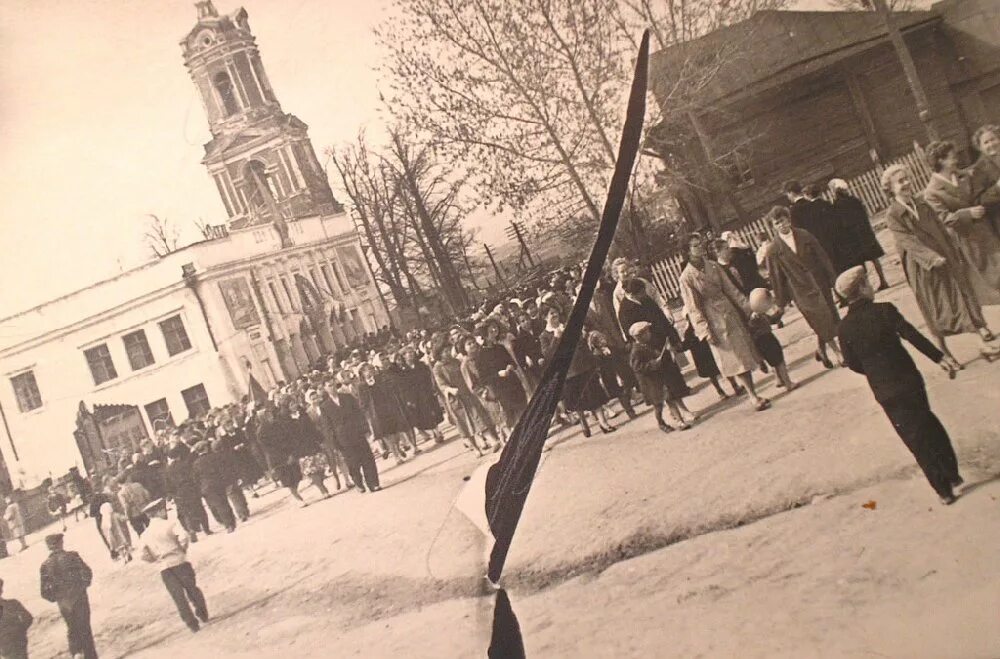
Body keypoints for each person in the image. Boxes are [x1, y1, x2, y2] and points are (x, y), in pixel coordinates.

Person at [835, 266, 964, 504]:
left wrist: (874, 371)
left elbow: (852, 363)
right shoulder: (884, 310)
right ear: (862, 288)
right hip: (909, 380)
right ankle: (952, 474)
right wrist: (940, 358)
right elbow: (912, 335)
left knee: (914, 438)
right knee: (927, 421)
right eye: (868, 283)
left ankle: (943, 491)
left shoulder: (844, 328)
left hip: (884, 390)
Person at [882, 164, 999, 362]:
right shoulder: (893, 215)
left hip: (943, 256)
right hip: (922, 267)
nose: (906, 183)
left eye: (907, 178)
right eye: (900, 181)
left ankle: (982, 342)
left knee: (962, 297)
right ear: (890, 189)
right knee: (936, 308)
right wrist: (930, 258)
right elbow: (907, 241)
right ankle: (944, 350)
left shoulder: (922, 203)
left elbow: (941, 229)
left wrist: (953, 251)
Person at [679, 235, 771, 412]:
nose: (700, 248)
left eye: (701, 244)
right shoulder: (687, 278)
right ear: (687, 251)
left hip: (730, 313)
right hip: (713, 320)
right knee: (735, 359)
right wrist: (704, 330)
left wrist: (748, 309)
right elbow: (693, 307)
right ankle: (753, 396)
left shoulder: (713, 265)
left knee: (744, 355)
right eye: (695, 246)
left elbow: (731, 289)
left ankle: (753, 393)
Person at [764, 205, 844, 368]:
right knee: (818, 319)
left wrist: (834, 280)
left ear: (789, 219)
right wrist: (781, 301)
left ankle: (821, 350)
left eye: (783, 220)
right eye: (777, 223)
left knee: (828, 316)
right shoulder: (773, 249)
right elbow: (776, 277)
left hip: (819, 282)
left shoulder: (804, 235)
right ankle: (837, 352)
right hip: (799, 289)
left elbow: (823, 257)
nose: (781, 225)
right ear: (773, 226)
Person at [922, 139, 1000, 300]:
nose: (956, 159)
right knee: (992, 279)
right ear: (940, 161)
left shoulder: (965, 175)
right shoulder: (932, 192)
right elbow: (944, 218)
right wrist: (968, 213)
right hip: (969, 241)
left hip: (989, 231)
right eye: (952, 157)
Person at [137, 499, 209, 633]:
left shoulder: (145, 534)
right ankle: (202, 612)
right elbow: (183, 537)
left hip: (164, 568)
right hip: (180, 562)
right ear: (159, 512)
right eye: (163, 510)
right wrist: (182, 550)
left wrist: (154, 559)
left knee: (178, 596)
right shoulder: (170, 524)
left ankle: (191, 623)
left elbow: (143, 555)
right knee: (192, 589)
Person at [628, 322, 695, 432]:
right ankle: (661, 422)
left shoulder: (648, 344)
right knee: (658, 406)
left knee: (669, 398)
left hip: (659, 379)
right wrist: (653, 363)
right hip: (650, 383)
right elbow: (637, 367)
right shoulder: (636, 350)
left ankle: (680, 421)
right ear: (639, 336)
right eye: (646, 332)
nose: (649, 334)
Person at [39, 534, 97, 659]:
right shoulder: (72, 556)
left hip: (64, 603)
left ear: (48, 547)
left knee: (71, 628)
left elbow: (44, 592)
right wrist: (82, 587)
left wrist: (56, 597)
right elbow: (87, 573)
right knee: (85, 629)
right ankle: (90, 656)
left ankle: (76, 654)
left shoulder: (45, 566)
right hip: (79, 598)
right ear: (61, 543)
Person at [319, 377, 381, 493]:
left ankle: (373, 483)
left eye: (333, 384)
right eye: (329, 386)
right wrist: (334, 443)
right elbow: (327, 427)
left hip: (357, 433)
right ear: (325, 388)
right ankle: (358, 483)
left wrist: (365, 429)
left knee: (367, 458)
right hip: (343, 439)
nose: (332, 388)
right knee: (353, 463)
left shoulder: (347, 398)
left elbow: (359, 414)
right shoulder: (325, 406)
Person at [828, 179, 889, 290]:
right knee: (874, 258)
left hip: (853, 236)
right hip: (865, 232)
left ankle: (867, 286)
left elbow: (842, 222)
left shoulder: (837, 204)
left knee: (860, 263)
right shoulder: (854, 200)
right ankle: (883, 280)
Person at [747, 289, 795, 390]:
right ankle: (788, 383)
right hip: (766, 338)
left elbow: (771, 320)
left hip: (760, 341)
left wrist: (780, 313)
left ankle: (779, 379)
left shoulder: (756, 314)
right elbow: (769, 321)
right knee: (779, 361)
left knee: (773, 361)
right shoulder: (756, 315)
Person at [969, 124, 1000, 237]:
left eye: (993, 139)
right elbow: (979, 201)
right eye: (986, 142)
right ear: (980, 147)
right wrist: (997, 187)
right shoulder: (978, 170)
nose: (991, 144)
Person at [0, 577, 33, 659]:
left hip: (5, 643)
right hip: (18, 639)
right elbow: (28, 618)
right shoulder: (13, 603)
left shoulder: (13, 603)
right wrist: (20, 630)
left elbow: (28, 618)